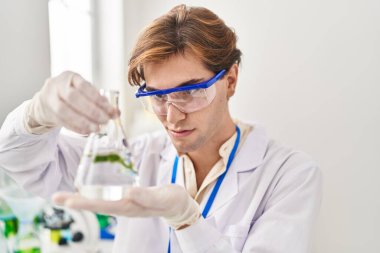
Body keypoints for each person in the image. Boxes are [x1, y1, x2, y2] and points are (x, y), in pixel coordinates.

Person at [0, 4, 322, 253]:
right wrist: (36, 114)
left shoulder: (290, 175)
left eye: (191, 92)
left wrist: (188, 220)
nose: (172, 116)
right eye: (157, 96)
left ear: (231, 80)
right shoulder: (138, 157)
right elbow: (19, 163)